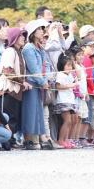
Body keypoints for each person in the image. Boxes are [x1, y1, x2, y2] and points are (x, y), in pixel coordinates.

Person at [21, 19, 54, 150]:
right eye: (40, 29)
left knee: (38, 112)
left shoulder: (40, 48)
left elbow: (45, 65)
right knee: (31, 112)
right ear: (33, 32)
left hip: (39, 83)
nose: (42, 31)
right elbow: (34, 69)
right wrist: (43, 81)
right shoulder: (29, 48)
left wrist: (46, 79)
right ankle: (31, 141)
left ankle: (38, 139)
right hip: (32, 83)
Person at [0, 27, 29, 147]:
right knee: (8, 117)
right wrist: (22, 82)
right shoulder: (10, 51)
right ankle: (6, 141)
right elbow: (7, 72)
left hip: (16, 90)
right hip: (8, 90)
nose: (23, 38)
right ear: (14, 37)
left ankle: (11, 140)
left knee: (14, 117)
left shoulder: (18, 51)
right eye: (20, 35)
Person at [55, 53, 78, 149]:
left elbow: (77, 78)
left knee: (71, 121)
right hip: (63, 101)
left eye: (70, 65)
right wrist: (70, 86)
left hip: (70, 100)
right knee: (67, 121)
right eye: (68, 65)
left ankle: (66, 140)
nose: (70, 67)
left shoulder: (70, 75)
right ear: (62, 65)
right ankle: (61, 140)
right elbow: (58, 86)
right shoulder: (60, 74)